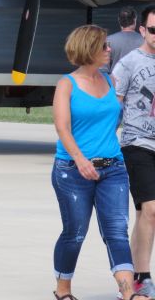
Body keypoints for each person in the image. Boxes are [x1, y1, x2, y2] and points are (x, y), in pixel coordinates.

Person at [52, 25, 146, 300]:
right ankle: (63, 290)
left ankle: (128, 291)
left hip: (113, 167)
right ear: (88, 49)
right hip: (72, 170)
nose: (109, 50)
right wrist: (80, 160)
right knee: (75, 232)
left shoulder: (110, 81)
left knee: (117, 230)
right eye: (104, 46)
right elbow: (62, 128)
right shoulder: (66, 84)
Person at [113, 4, 155, 298]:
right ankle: (142, 276)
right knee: (152, 210)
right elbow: (113, 104)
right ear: (142, 30)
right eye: (153, 29)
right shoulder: (129, 62)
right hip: (136, 143)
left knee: (144, 215)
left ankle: (126, 274)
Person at [102, 6, 143, 74]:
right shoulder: (145, 42)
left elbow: (103, 68)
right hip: (139, 83)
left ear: (119, 20)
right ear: (135, 20)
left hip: (115, 82)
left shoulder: (108, 40)